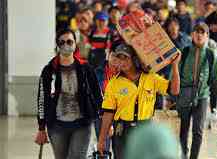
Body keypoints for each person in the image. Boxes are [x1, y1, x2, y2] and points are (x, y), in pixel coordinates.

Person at [97, 44, 181, 159]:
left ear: (134, 59)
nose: (122, 61)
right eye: (119, 58)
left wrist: (175, 66)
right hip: (122, 132)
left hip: (145, 129)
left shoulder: (151, 78)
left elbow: (174, 90)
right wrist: (102, 140)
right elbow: (108, 113)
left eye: (125, 57)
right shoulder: (113, 84)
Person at [34, 28, 103, 159]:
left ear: (75, 44)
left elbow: (97, 95)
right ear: (57, 45)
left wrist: (105, 124)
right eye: (62, 42)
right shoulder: (48, 70)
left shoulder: (85, 68)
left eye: (70, 42)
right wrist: (41, 128)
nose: (66, 45)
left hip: (82, 124)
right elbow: (42, 100)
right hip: (57, 126)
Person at [177, 22, 217, 159]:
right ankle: (183, 155)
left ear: (207, 36)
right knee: (183, 129)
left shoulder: (211, 55)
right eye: (196, 32)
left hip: (202, 96)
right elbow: (175, 74)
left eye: (202, 32)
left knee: (198, 131)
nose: (199, 35)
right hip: (184, 95)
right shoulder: (185, 52)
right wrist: (172, 95)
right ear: (192, 34)